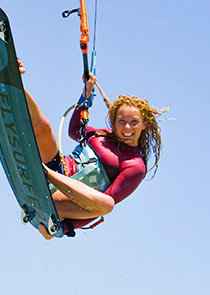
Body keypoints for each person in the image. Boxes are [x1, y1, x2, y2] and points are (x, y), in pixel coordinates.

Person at [18, 60, 165, 239]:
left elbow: (96, 209)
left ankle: (43, 173)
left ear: (144, 125)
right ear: (114, 122)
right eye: (121, 121)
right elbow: (74, 130)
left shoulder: (135, 166)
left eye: (134, 122)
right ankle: (15, 81)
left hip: (63, 199)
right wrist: (85, 96)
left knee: (107, 204)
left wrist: (62, 228)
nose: (127, 127)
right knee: (44, 126)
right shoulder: (102, 136)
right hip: (56, 166)